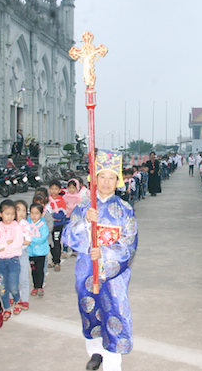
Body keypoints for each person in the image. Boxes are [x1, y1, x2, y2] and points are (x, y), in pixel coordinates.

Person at [62, 149, 138, 371]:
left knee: (114, 311)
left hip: (113, 275)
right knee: (89, 312)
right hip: (86, 270)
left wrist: (104, 254)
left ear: (118, 181)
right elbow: (67, 236)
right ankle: (95, 351)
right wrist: (85, 222)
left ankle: (113, 361)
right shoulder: (84, 205)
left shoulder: (125, 209)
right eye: (102, 177)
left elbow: (129, 245)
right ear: (94, 179)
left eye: (111, 177)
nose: (106, 182)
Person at [0, 199, 23, 320]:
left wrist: (5, 246)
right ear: (0, 214)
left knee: (13, 285)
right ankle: (6, 308)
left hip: (13, 260)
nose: (10, 217)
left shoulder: (17, 226)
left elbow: (18, 243)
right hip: (0, 261)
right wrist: (4, 244)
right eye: (7, 214)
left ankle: (17, 300)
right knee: (2, 287)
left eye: (12, 214)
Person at [28, 202, 50, 297]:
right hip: (31, 252)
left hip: (41, 252)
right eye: (32, 213)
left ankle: (39, 286)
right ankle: (35, 287)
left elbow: (42, 238)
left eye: (36, 213)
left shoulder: (43, 225)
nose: (34, 216)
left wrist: (30, 240)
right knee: (33, 269)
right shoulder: (27, 223)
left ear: (41, 214)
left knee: (40, 270)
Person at [46, 180, 68, 272]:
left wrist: (52, 217)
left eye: (56, 189)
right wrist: (52, 217)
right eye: (52, 189)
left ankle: (57, 262)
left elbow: (61, 215)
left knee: (56, 242)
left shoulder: (61, 201)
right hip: (49, 226)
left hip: (58, 225)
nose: (54, 191)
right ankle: (53, 260)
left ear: (59, 190)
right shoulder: (47, 200)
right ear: (49, 189)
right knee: (50, 243)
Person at [15, 200, 32, 311]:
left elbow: (28, 241)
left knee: (24, 278)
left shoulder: (26, 224)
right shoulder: (10, 224)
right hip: (11, 254)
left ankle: (25, 299)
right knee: (12, 278)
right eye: (18, 209)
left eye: (24, 210)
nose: (21, 213)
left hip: (22, 253)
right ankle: (13, 298)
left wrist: (15, 242)